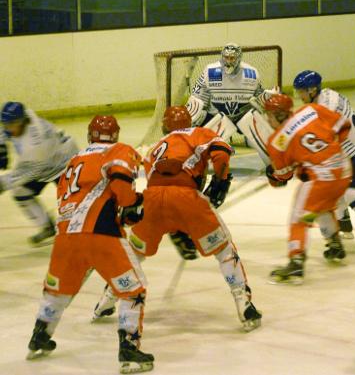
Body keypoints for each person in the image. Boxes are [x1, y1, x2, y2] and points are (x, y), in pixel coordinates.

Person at [93, 106, 262, 332]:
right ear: (189, 122)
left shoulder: (154, 149)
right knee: (224, 251)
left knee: (134, 255)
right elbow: (221, 154)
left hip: (152, 202)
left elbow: (152, 181)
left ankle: (105, 301)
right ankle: (244, 303)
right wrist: (220, 180)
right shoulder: (197, 133)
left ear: (164, 126)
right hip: (186, 198)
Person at [26, 115, 154, 374]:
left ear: (89, 135)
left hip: (65, 236)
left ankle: (40, 335)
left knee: (58, 291)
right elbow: (121, 182)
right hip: (100, 233)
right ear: (115, 134)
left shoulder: (73, 161)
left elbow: (69, 195)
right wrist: (132, 203)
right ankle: (129, 348)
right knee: (134, 290)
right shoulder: (118, 150)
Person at [292, 70, 355, 256]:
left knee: (352, 193)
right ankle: (344, 223)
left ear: (313, 90)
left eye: (302, 91)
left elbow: (324, 139)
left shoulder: (326, 108)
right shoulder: (326, 97)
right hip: (351, 151)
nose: (299, 96)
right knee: (333, 184)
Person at [264, 94, 352, 284]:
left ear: (276, 116)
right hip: (344, 170)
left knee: (299, 218)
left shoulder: (277, 141)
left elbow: (282, 176)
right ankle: (334, 244)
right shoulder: (311, 109)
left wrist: (273, 175)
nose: (267, 119)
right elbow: (344, 126)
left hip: (322, 178)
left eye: (268, 115)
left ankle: (296, 261)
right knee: (322, 205)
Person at [185, 42, 277, 166]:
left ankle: (276, 163)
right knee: (195, 111)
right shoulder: (210, 71)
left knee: (259, 121)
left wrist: (266, 98)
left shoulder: (251, 73)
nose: (228, 61)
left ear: (239, 58)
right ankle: (192, 161)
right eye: (226, 57)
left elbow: (259, 98)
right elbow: (197, 99)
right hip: (217, 118)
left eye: (232, 58)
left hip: (242, 118)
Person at [0, 102, 79, 245]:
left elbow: (28, 172)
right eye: (7, 124)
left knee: (76, 207)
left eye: (12, 125)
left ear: (21, 121)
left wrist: (3, 183)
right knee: (20, 192)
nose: (8, 129)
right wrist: (1, 147)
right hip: (46, 161)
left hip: (66, 164)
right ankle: (47, 227)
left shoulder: (35, 144)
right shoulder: (25, 115)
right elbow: (4, 129)